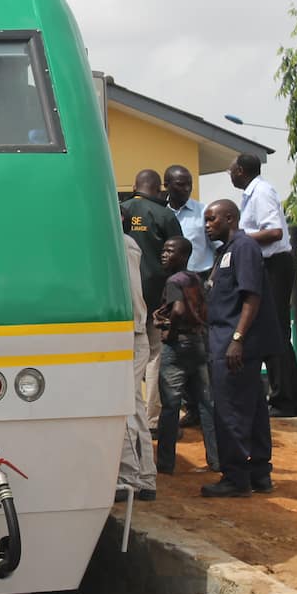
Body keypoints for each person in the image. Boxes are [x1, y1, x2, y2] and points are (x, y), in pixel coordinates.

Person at [201, 199, 283, 497]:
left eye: (212, 219)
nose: (207, 225)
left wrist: (237, 339)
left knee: (230, 412)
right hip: (228, 341)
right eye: (205, 220)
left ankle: (236, 478)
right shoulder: (225, 251)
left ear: (230, 218)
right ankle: (260, 475)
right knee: (256, 411)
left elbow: (252, 296)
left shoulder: (244, 248)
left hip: (234, 346)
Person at [229, 153, 297, 417]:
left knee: (275, 333)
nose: (229, 174)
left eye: (231, 170)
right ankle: (287, 396)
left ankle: (287, 399)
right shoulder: (252, 193)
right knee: (272, 332)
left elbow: (274, 232)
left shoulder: (260, 192)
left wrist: (239, 238)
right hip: (268, 265)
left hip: (275, 264)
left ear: (240, 170)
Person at [121, 170, 183, 431]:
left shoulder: (120, 211)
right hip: (158, 298)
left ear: (135, 186)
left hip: (126, 298)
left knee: (127, 355)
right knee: (154, 355)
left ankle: (126, 414)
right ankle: (152, 419)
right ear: (159, 190)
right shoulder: (166, 215)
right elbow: (180, 250)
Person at [153, 237, 218, 474]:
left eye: (170, 251)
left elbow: (178, 310)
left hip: (178, 345)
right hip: (198, 343)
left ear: (183, 256)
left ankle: (166, 463)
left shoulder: (173, 281)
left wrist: (170, 334)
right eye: (163, 251)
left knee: (170, 405)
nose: (164, 255)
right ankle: (215, 459)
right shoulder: (195, 279)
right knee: (205, 404)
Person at [117, 219, 157, 502]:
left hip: (129, 336)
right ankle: (144, 476)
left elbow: (131, 297)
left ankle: (133, 476)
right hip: (128, 335)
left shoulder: (121, 244)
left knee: (127, 406)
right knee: (134, 407)